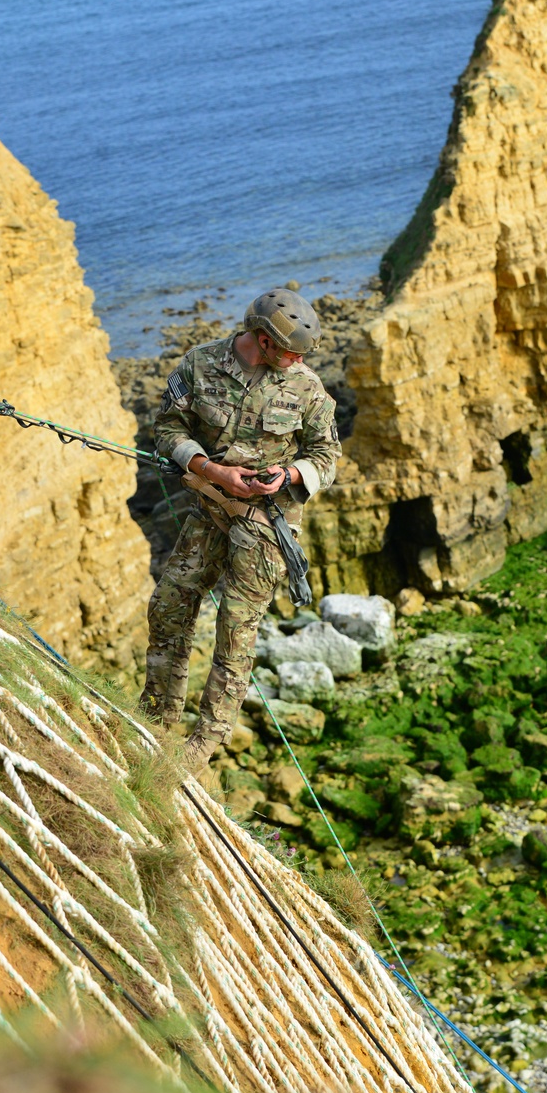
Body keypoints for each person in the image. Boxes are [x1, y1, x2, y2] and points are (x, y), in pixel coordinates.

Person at [140, 289, 341, 776]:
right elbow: (166, 429)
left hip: (266, 522)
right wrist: (212, 470)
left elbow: (326, 456)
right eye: (291, 351)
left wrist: (288, 476)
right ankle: (157, 717)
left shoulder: (307, 388)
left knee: (236, 629)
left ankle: (204, 742)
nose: (297, 360)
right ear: (262, 339)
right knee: (169, 605)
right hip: (209, 505)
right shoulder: (200, 364)